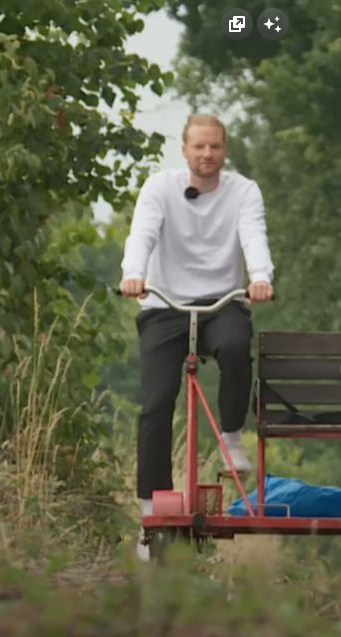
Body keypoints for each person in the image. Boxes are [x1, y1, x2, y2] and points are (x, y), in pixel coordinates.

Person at [119, 114, 275, 559]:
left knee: (234, 344)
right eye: (199, 147)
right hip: (164, 303)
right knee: (156, 403)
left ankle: (230, 438)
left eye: (215, 148)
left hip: (222, 300)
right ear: (184, 150)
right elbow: (143, 233)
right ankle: (152, 513)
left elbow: (253, 236)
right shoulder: (160, 188)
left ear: (224, 151)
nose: (208, 155)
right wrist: (134, 274)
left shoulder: (243, 191)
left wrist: (260, 276)